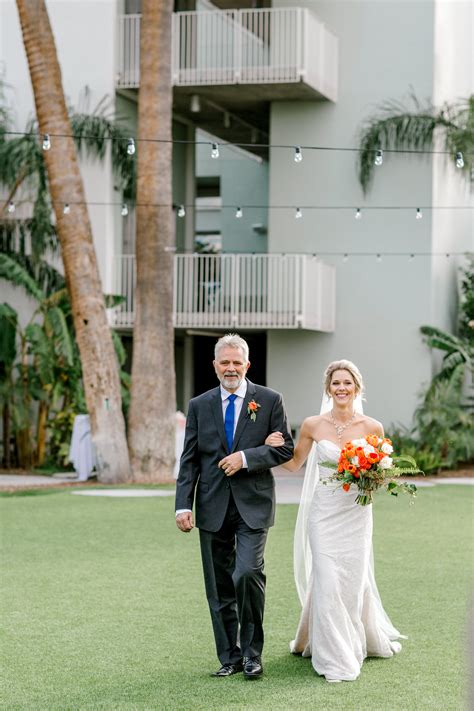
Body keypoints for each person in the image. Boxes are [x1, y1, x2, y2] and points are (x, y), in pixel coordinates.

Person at [265, 359, 403, 682]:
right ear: (328, 388)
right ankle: (335, 656)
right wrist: (270, 445)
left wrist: (374, 475)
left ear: (357, 388)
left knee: (351, 584)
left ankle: (350, 637)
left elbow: (383, 476)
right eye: (336, 383)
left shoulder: (373, 427)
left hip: (356, 514)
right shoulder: (313, 424)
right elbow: (294, 463)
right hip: (324, 514)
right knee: (326, 579)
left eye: (347, 383)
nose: (342, 388)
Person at [175, 334, 294, 679]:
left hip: (253, 505)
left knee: (247, 573)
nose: (230, 368)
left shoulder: (270, 401)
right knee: (219, 586)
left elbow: (285, 449)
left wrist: (246, 457)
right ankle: (230, 657)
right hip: (211, 506)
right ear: (215, 366)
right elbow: (190, 460)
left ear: (247, 365)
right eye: (224, 362)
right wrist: (183, 505)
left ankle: (253, 656)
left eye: (236, 362)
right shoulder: (199, 405)